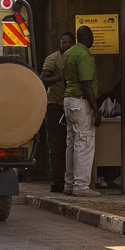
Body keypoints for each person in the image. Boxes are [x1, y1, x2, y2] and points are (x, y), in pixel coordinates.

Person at [61, 25, 99, 197]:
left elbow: (65, 80)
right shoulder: (84, 55)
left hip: (69, 100)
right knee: (84, 144)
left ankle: (69, 183)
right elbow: (86, 84)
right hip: (81, 101)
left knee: (71, 144)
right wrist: (95, 109)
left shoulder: (68, 53)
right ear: (88, 38)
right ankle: (81, 185)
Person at [40, 32, 72, 192]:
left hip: (70, 106)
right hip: (55, 106)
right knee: (56, 146)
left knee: (70, 145)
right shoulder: (53, 59)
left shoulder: (74, 58)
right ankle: (57, 181)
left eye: (69, 43)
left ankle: (69, 179)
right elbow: (42, 80)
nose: (66, 45)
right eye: (64, 42)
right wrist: (59, 78)